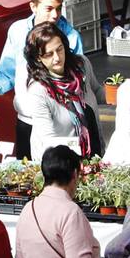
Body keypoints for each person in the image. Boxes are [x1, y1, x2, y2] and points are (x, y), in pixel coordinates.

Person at [0, 0, 85, 153]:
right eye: (49, 9)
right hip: (27, 121)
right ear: (33, 7)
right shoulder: (17, 31)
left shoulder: (71, 36)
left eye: (59, 8)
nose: (55, 15)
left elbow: (80, 80)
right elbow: (7, 74)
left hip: (62, 126)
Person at [17, 22, 102, 161]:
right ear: (38, 58)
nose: (57, 58)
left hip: (92, 152)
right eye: (49, 54)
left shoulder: (81, 65)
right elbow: (48, 139)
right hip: (59, 163)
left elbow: (97, 91)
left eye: (59, 49)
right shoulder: (38, 91)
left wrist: (124, 91)